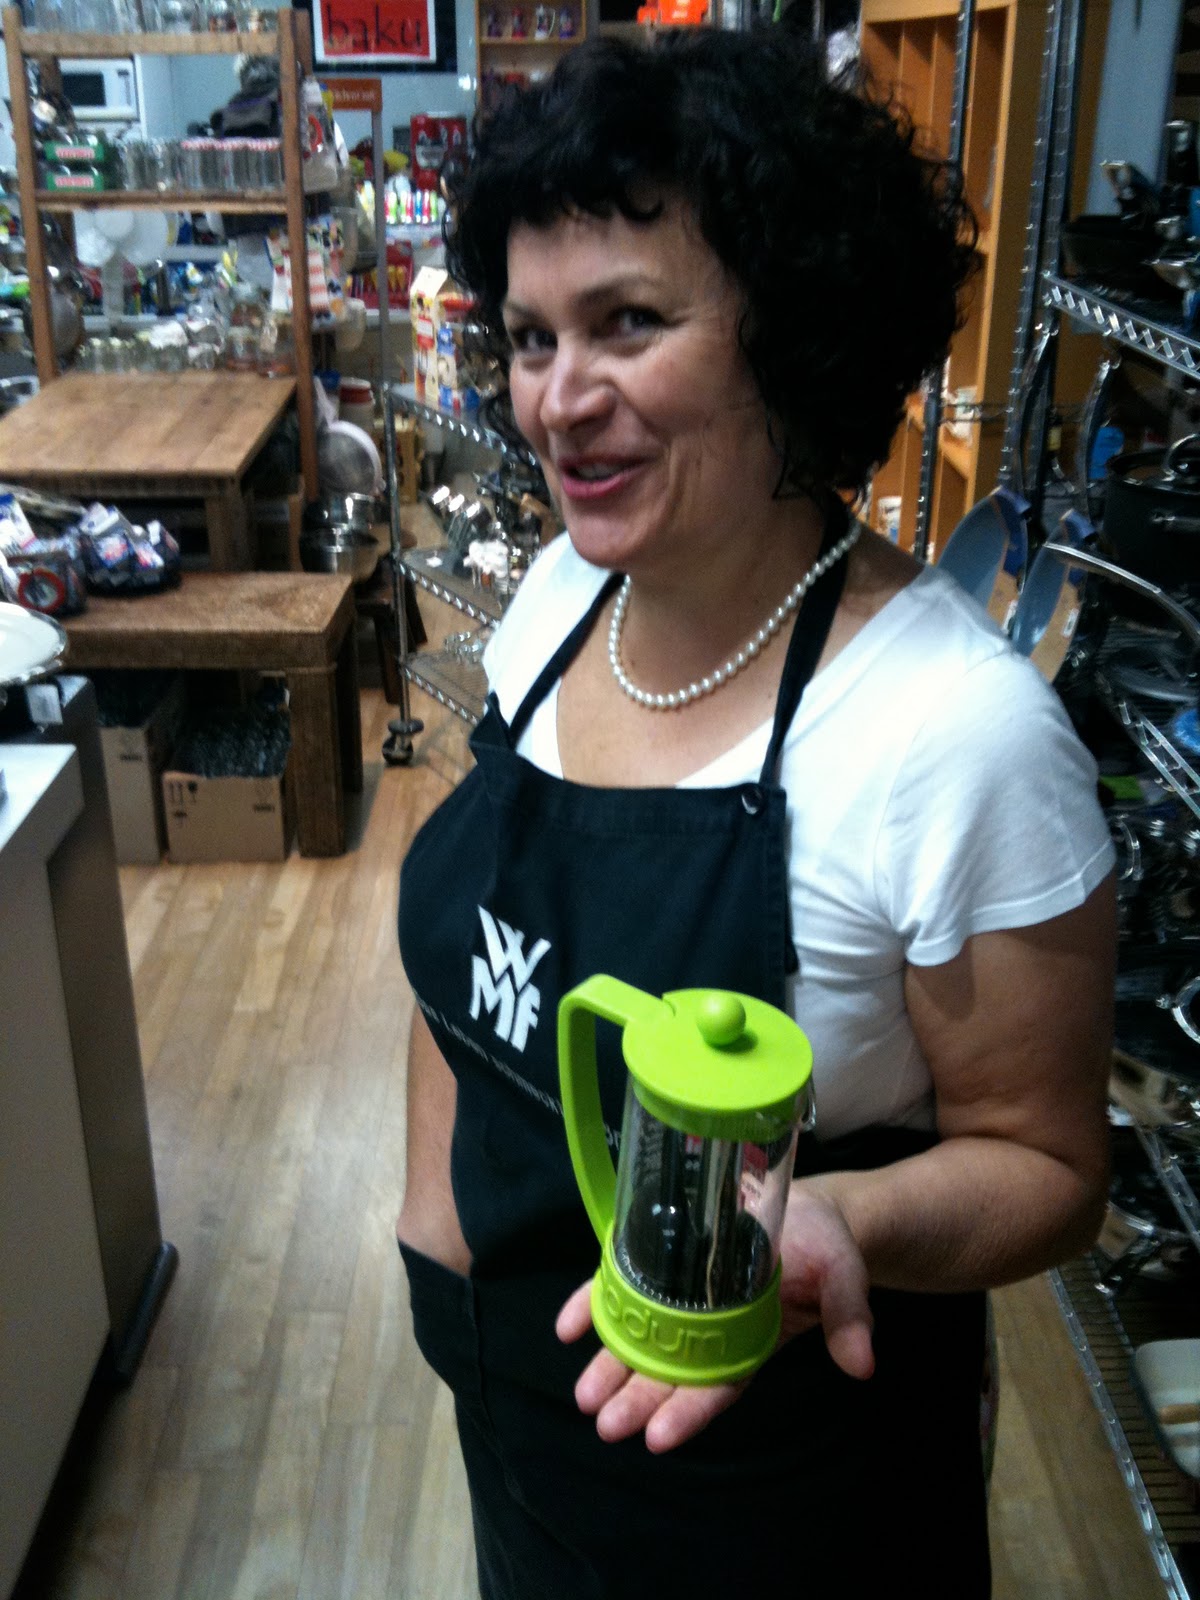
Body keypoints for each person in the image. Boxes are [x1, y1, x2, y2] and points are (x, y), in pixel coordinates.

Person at [396, 24, 1116, 1599]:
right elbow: (473, 974)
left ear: (789, 329)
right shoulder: (557, 605)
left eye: (628, 323)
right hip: (519, 1419)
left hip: (777, 1502)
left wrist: (846, 1220)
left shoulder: (952, 739)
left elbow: (1051, 1166)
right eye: (528, 337)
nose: (557, 401)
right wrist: (430, 1245)